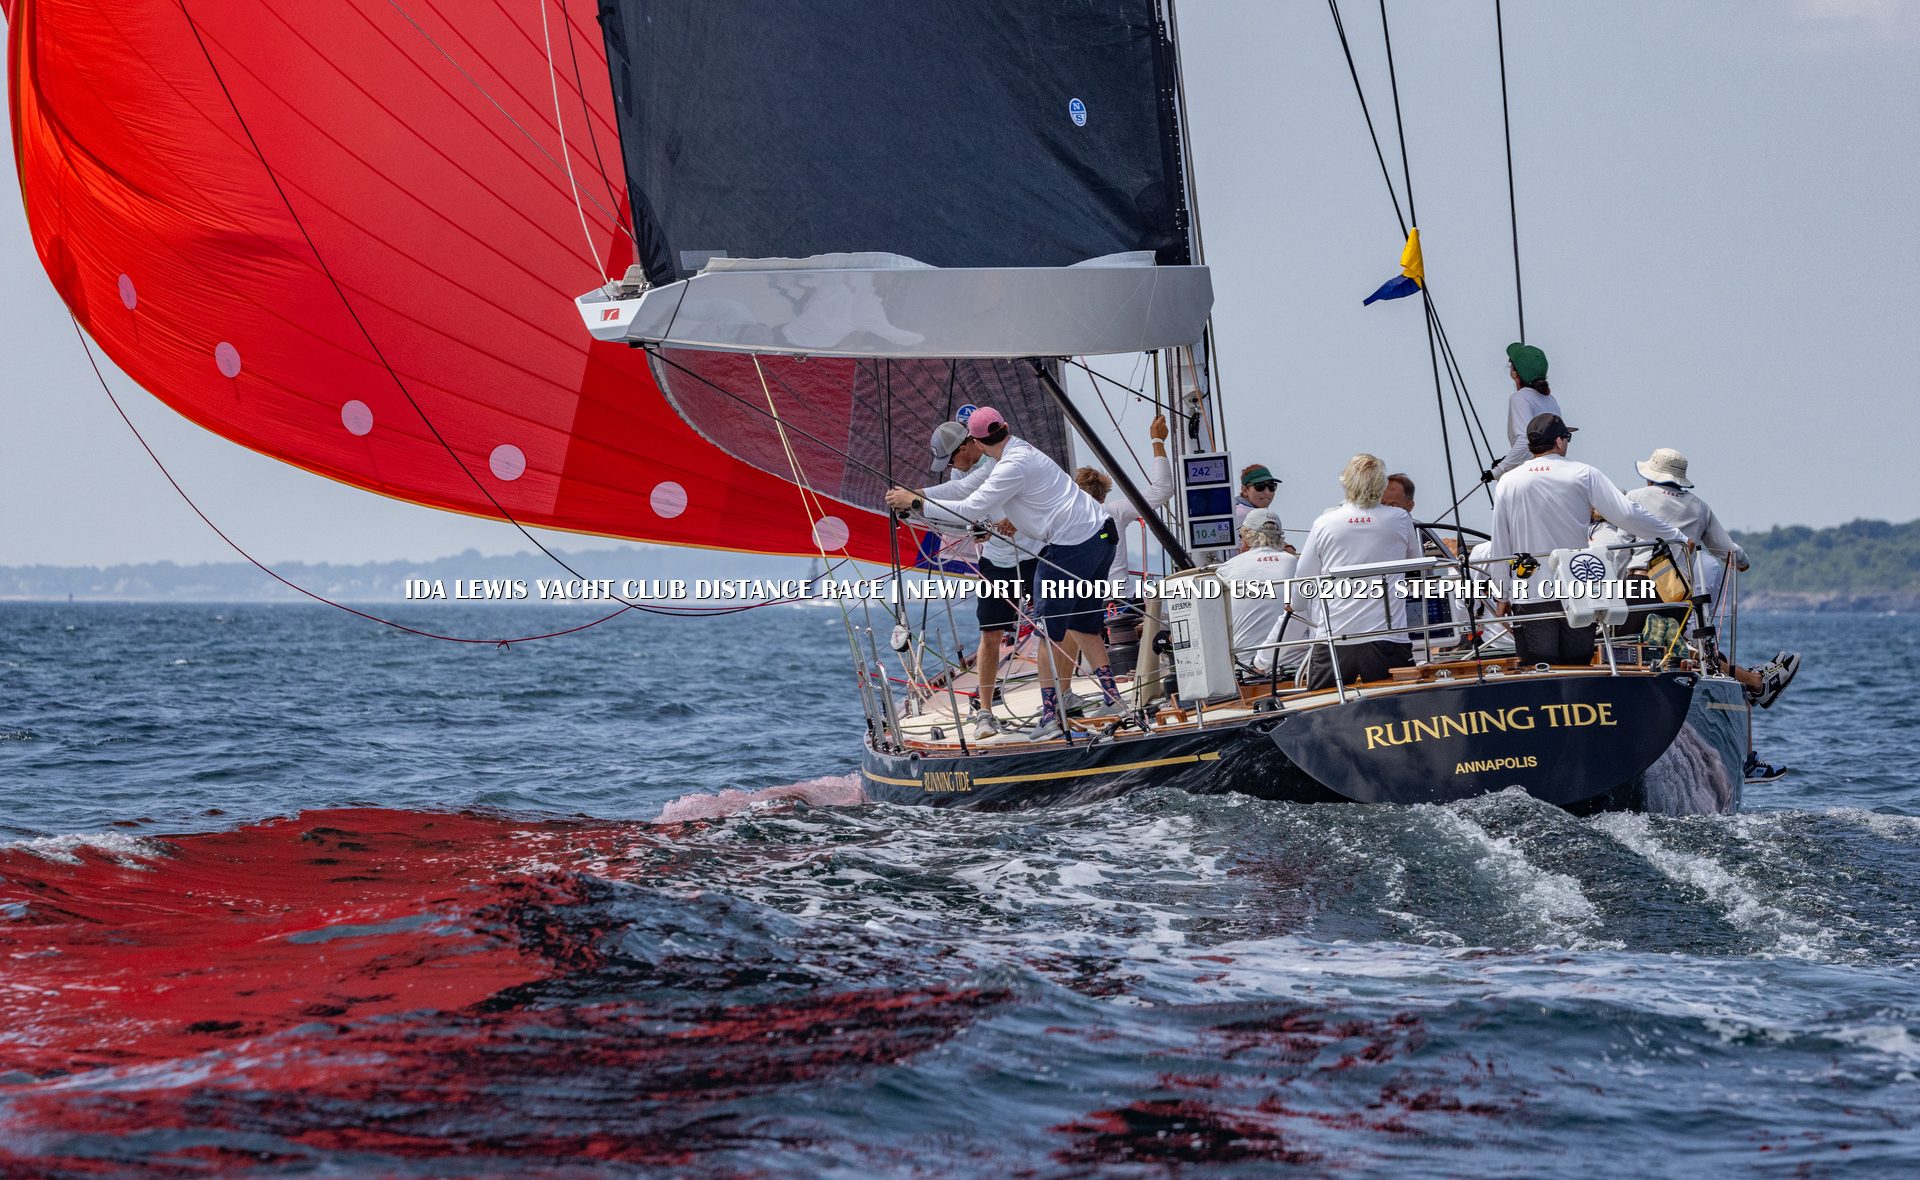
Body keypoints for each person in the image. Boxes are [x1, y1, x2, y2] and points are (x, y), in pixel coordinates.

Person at [886, 407, 1120, 743]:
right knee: (1083, 624)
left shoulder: (1010, 466)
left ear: (975, 442)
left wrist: (917, 505)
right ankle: (1112, 699)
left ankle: (1050, 718)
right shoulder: (1016, 451)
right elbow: (963, 490)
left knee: (1047, 632)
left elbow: (970, 507)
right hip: (1101, 536)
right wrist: (915, 496)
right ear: (1005, 428)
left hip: (1070, 546)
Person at [1600, 447, 1800, 709]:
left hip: (1640, 587)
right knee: (1679, 647)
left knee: (1639, 646)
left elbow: (1621, 551)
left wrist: (1614, 590)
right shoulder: (1699, 507)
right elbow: (1729, 550)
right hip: (1677, 595)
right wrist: (1743, 562)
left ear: (1650, 477)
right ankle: (1755, 682)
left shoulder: (1636, 496)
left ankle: (1755, 682)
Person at [1490, 413, 1686, 667]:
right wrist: (1675, 536)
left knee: (1537, 667)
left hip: (1530, 593)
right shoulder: (1583, 473)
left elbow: (1501, 542)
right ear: (1559, 442)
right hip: (1578, 590)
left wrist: (1502, 595)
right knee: (1578, 665)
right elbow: (1627, 514)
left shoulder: (1508, 481)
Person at [918, 420, 1028, 737]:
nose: (949, 467)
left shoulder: (1004, 457)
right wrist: (974, 527)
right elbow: (966, 506)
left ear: (966, 448)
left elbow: (1032, 493)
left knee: (1057, 625)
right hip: (997, 558)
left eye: (951, 459)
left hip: (1035, 552)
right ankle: (985, 711)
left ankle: (1059, 700)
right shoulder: (959, 474)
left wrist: (1018, 519)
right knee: (990, 634)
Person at [1290, 454, 1424, 690]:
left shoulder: (1324, 523)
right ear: (1381, 485)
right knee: (1395, 702)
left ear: (1346, 482)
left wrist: (1296, 605)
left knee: (1323, 705)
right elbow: (1415, 566)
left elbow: (1304, 576)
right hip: (1387, 635)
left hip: (1335, 636)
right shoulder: (1400, 518)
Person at [1072, 414, 1175, 593]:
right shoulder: (1112, 511)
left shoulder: (1060, 517)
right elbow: (1163, 489)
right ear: (1103, 496)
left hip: (1079, 601)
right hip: (1119, 600)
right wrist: (1157, 441)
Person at [1216, 507, 1298, 669]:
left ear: (1246, 536)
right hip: (1296, 668)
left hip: (1245, 668)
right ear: (1280, 539)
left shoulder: (1228, 567)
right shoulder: (1294, 563)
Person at [1486, 343, 1563, 480]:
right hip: (1553, 471)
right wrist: (1508, 461)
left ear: (1515, 373)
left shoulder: (1520, 398)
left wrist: (1498, 471)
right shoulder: (1551, 399)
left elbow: (1525, 441)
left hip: (1533, 476)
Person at [1234, 465, 1280, 529]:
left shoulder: (1233, 509)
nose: (1267, 492)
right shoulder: (1241, 514)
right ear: (1245, 490)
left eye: (1271, 486)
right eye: (1260, 486)